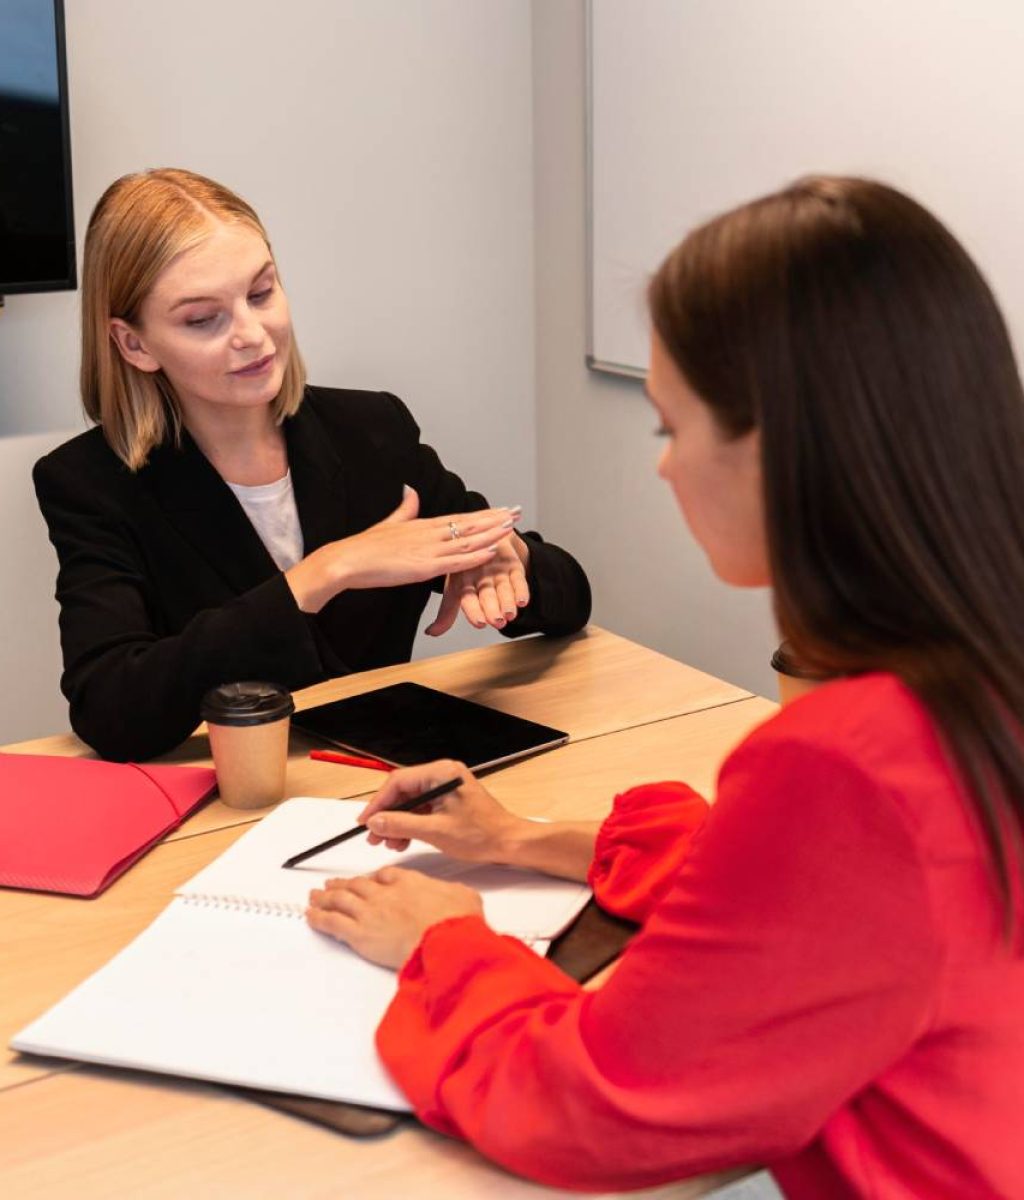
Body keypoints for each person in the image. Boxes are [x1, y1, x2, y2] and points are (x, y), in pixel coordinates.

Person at [306, 177, 1024, 1197]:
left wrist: (446, 942)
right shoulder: (976, 665)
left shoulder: (849, 757)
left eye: (667, 428)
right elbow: (811, 896)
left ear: (776, 448)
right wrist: (517, 839)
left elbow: (594, 1103)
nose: (663, 469)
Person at [33, 169, 590, 762]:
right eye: (203, 319)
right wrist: (326, 572)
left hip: (390, 776)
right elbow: (112, 708)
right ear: (134, 344)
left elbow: (569, 601)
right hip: (232, 796)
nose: (252, 334)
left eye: (262, 292)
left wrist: (508, 558)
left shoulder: (372, 429)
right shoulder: (90, 483)